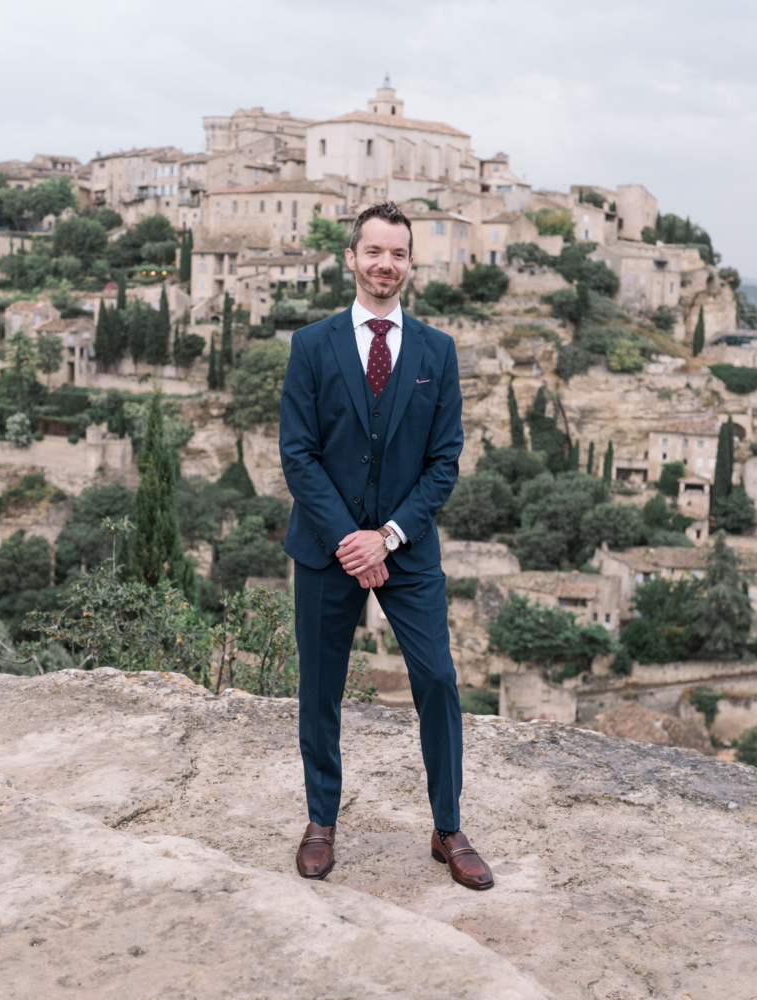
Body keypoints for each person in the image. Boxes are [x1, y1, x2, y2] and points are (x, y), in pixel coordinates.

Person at [278, 202, 493, 890]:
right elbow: (298, 453)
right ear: (351, 257)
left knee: (436, 680)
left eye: (397, 255)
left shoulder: (437, 351)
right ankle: (321, 821)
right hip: (325, 549)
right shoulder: (312, 346)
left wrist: (388, 536)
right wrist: (349, 538)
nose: (385, 265)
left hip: (409, 549)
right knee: (321, 688)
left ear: (410, 264)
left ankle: (448, 827)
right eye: (373, 252)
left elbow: (445, 460)